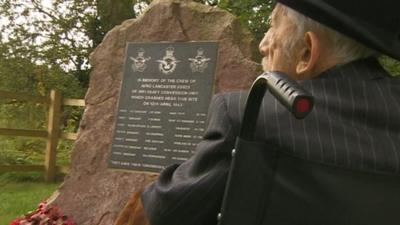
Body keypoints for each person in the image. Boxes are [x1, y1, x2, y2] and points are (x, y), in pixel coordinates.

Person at [141, 0, 400, 225]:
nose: (263, 44)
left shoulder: (249, 118)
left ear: (306, 52)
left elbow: (167, 212)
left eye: (274, 25)